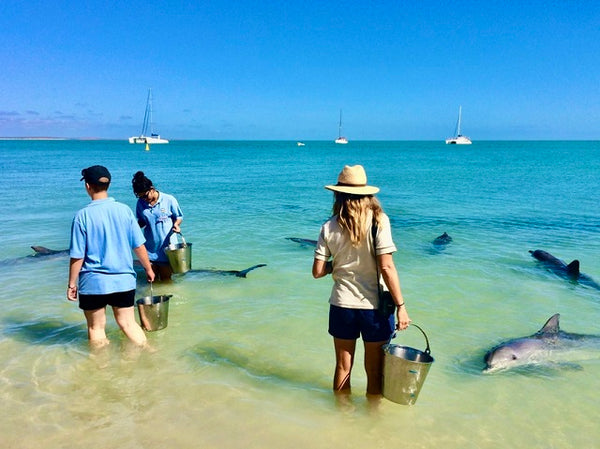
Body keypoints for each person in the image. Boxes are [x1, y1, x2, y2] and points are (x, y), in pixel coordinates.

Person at [312, 165, 410, 397]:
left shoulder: (328, 226)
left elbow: (317, 271)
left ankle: (342, 417)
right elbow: (386, 266)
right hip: (373, 308)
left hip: (341, 305)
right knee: (375, 371)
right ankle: (371, 422)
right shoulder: (379, 221)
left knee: (343, 368)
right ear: (367, 194)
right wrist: (402, 307)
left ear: (337, 194)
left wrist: (338, 264)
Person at [67, 165, 155, 348]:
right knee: (129, 325)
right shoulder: (124, 211)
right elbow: (138, 245)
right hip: (123, 281)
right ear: (108, 185)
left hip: (93, 283)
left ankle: (102, 370)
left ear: (88, 186)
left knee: (96, 329)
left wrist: (72, 284)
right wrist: (148, 269)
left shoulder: (82, 216)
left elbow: (77, 256)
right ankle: (151, 355)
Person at [131, 171, 183, 281]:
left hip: (167, 249)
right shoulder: (140, 203)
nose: (144, 199)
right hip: (150, 249)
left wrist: (176, 225)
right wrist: (133, 228)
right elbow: (142, 221)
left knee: (166, 280)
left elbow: (178, 216)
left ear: (152, 189)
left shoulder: (169, 199)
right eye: (140, 197)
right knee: (151, 281)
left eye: (145, 195)